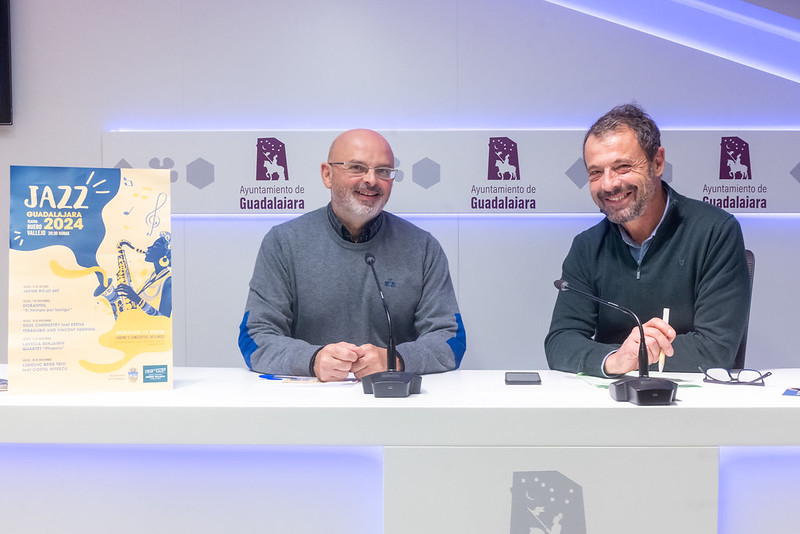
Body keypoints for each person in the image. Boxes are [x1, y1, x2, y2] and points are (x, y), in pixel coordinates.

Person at [239, 129, 466, 381]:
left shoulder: (423, 247)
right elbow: (256, 337)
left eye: (383, 171)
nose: (371, 180)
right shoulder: (283, 242)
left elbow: (450, 339)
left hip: (393, 397)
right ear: (327, 174)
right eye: (357, 167)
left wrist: (395, 360)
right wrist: (312, 360)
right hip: (310, 397)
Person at [545, 104, 751, 377]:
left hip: (692, 400)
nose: (608, 184)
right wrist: (614, 360)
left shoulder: (716, 232)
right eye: (596, 172)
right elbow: (560, 342)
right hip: (609, 398)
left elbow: (715, 351)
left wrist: (633, 357)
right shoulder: (587, 246)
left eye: (622, 167)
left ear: (657, 163)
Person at [95, 231, 173, 318]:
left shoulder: (169, 280)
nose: (149, 247)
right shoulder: (153, 277)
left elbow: (164, 319)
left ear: (165, 255)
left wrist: (136, 299)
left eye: (156, 246)